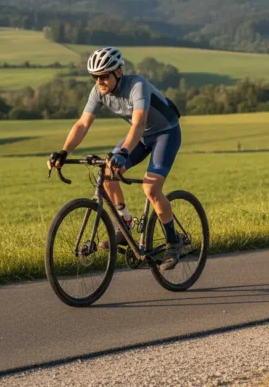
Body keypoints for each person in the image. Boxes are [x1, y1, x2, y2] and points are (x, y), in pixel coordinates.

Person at [47, 47, 184, 270]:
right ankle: (126, 224)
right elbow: (82, 124)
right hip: (140, 136)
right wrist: (64, 152)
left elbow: (139, 123)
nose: (99, 81)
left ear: (118, 72)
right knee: (109, 176)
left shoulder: (137, 86)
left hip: (165, 133)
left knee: (151, 190)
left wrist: (122, 153)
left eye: (104, 76)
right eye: (95, 77)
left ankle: (173, 242)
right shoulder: (98, 92)